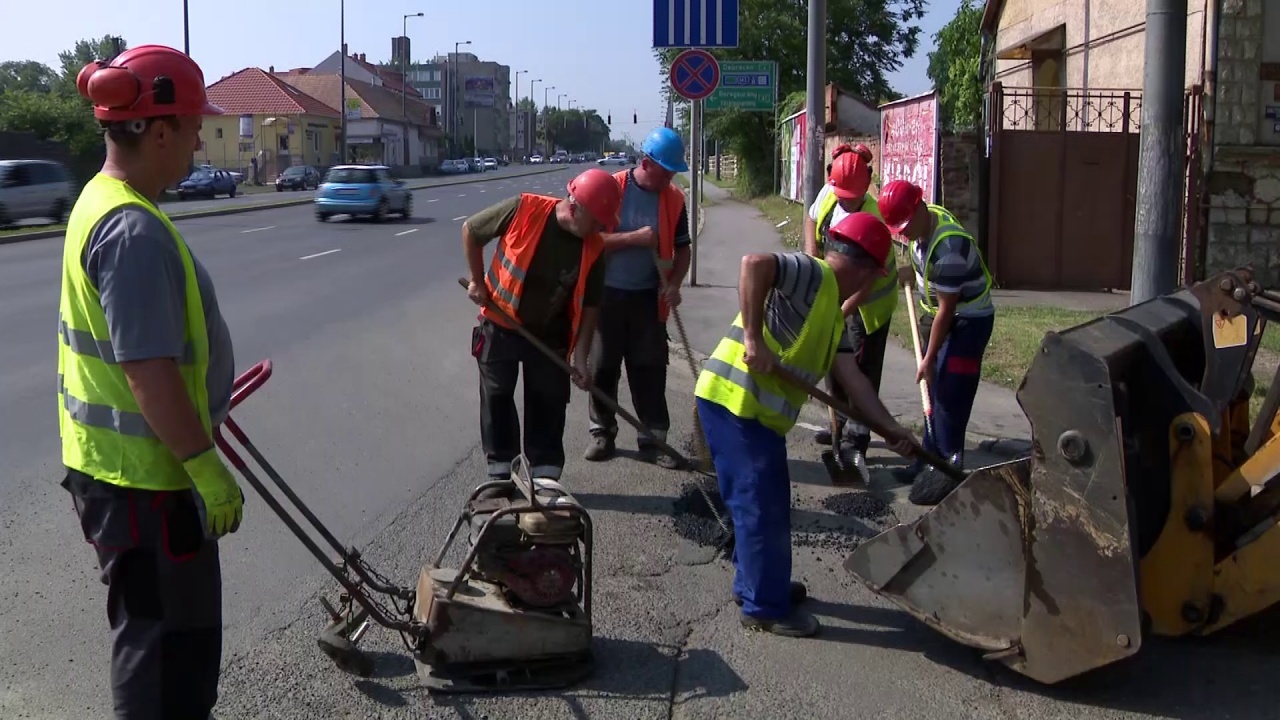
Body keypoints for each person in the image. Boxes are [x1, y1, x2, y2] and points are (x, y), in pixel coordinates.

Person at [57, 45, 241, 719]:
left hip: (124, 476)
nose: (198, 142)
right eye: (194, 127)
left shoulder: (104, 199)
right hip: (148, 486)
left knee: (159, 644)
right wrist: (205, 466)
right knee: (165, 660)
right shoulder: (131, 230)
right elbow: (146, 369)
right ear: (159, 131)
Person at [694, 213, 920, 637]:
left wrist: (891, 429)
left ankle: (757, 585)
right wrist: (753, 338)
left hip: (757, 416)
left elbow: (855, 381)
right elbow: (754, 264)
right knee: (759, 507)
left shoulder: (832, 313)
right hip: (732, 405)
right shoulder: (813, 274)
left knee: (768, 505)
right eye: (874, 278)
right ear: (865, 270)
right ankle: (764, 607)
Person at [463, 168, 624, 483]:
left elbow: (591, 306)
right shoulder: (524, 208)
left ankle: (544, 476)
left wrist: (581, 359)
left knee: (548, 400)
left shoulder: (594, 247)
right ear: (575, 208)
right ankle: (501, 472)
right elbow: (471, 230)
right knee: (497, 396)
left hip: (551, 334)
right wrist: (477, 280)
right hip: (501, 320)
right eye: (597, 221)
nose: (601, 229)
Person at [877, 180, 995, 507]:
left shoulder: (949, 249)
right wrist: (909, 272)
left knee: (951, 391)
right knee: (934, 390)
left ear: (919, 207)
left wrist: (928, 358)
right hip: (946, 318)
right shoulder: (925, 227)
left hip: (968, 323)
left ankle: (947, 465)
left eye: (905, 226)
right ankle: (926, 461)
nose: (904, 234)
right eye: (899, 229)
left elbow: (946, 311)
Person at [583, 126, 691, 469]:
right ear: (646, 163)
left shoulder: (674, 199)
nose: (670, 178)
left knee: (650, 368)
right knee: (602, 368)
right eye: (666, 171)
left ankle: (653, 439)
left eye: (673, 172)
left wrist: (674, 284)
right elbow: (589, 242)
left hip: (648, 298)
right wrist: (634, 239)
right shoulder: (612, 188)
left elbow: (683, 250)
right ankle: (602, 432)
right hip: (605, 296)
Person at [803, 151, 898, 480]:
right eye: (839, 192)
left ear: (864, 187)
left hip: (868, 305)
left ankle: (857, 439)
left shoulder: (874, 220)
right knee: (834, 362)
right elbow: (811, 219)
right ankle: (838, 426)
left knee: (860, 369)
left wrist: (840, 312)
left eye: (849, 195)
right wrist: (812, 255)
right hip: (836, 292)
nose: (843, 198)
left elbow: (869, 280)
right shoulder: (831, 191)